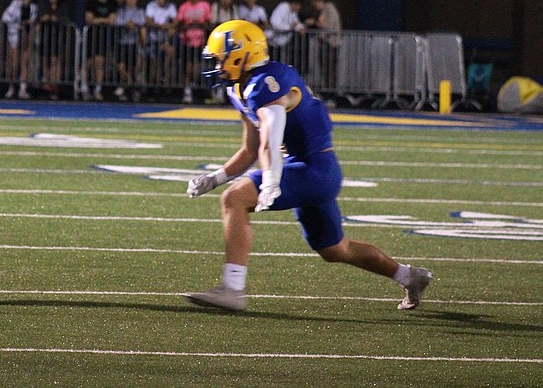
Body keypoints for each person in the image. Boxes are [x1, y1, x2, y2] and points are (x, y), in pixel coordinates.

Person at [184, 20, 432, 313]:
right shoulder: (240, 88)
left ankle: (233, 289)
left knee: (235, 198)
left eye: (220, 58)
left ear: (241, 54)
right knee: (336, 250)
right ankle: (409, 275)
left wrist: (272, 179)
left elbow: (270, 138)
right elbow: (250, 148)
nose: (216, 65)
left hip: (314, 169)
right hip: (312, 170)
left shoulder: (268, 81)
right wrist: (215, 177)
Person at [83, 0, 119, 101]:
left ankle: (97, 89)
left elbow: (112, 20)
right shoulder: (91, 2)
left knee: (100, 62)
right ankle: (84, 87)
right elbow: (89, 19)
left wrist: (98, 20)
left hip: (103, 36)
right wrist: (104, 20)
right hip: (91, 35)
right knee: (87, 63)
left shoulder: (112, 3)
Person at [176, 0, 211, 104]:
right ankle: (187, 91)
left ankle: (210, 92)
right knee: (188, 68)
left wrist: (200, 24)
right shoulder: (184, 7)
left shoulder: (205, 5)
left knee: (205, 67)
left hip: (202, 42)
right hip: (188, 42)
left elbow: (209, 23)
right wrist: (187, 25)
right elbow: (178, 23)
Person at [1, 0, 38, 99]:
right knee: (13, 62)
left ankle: (23, 88)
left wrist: (31, 23)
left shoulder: (33, 7)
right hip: (15, 35)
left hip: (27, 35)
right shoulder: (16, 3)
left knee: (25, 62)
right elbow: (5, 16)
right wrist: (16, 25)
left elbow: (34, 19)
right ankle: (11, 87)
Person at [37, 0, 71, 100]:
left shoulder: (63, 3)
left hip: (57, 35)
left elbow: (64, 17)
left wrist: (55, 18)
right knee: (46, 59)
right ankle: (46, 84)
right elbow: (40, 16)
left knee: (55, 60)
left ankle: (54, 85)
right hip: (45, 35)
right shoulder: (43, 3)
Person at [114, 0, 145, 102]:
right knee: (121, 67)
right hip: (123, 42)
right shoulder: (121, 11)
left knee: (135, 66)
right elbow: (118, 22)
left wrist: (134, 25)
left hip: (134, 43)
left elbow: (141, 23)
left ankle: (128, 87)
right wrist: (126, 24)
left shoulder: (139, 11)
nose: (131, 0)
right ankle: (131, 84)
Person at [143, 0, 177, 88]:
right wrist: (159, 26)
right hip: (152, 40)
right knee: (153, 61)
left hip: (164, 39)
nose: (161, 0)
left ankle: (163, 75)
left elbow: (175, 20)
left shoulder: (170, 6)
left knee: (170, 52)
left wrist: (169, 26)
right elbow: (148, 19)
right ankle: (152, 83)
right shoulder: (151, 5)